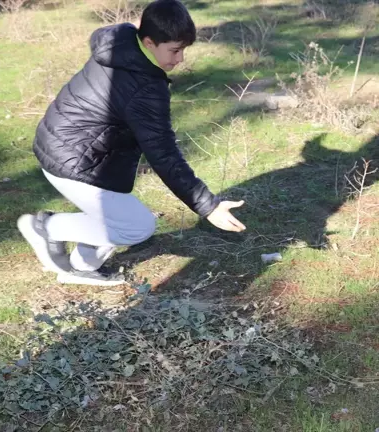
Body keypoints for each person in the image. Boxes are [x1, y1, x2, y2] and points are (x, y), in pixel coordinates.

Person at [17, 0, 246, 286]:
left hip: (77, 147)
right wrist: (208, 206)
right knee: (137, 225)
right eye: (174, 50)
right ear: (149, 41)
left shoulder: (122, 42)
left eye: (184, 49)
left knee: (120, 214)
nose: (180, 59)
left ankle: (79, 267)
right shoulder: (145, 88)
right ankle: (46, 227)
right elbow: (163, 153)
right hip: (72, 158)